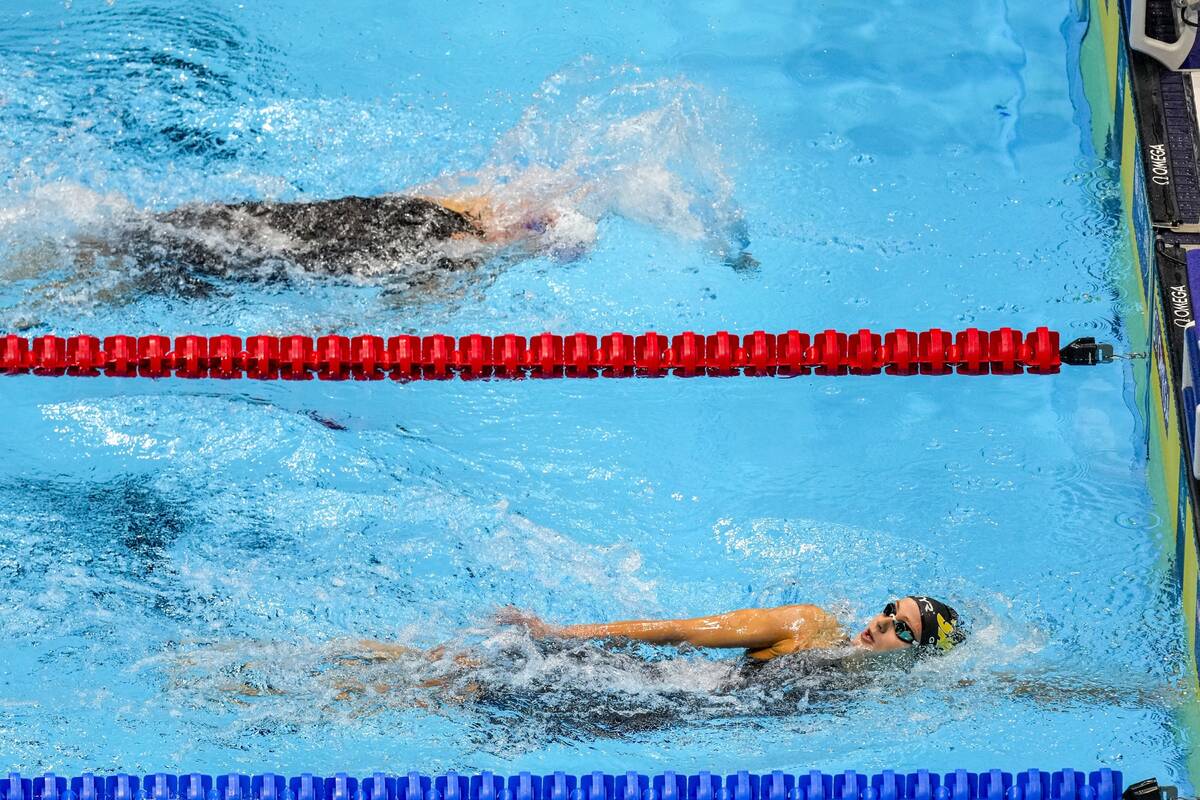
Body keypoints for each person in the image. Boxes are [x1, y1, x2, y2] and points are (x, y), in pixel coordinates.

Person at [491, 594, 965, 661]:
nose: (881, 622)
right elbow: (682, 630)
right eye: (889, 610)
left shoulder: (882, 698)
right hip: (647, 688)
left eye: (902, 629)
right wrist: (556, 634)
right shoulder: (810, 626)